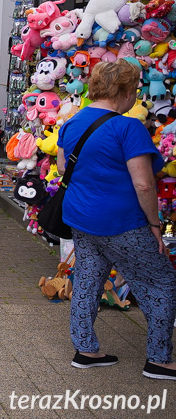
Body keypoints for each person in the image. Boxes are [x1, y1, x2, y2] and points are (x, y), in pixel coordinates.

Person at [58, 60, 176, 379]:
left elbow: (59, 168)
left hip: (81, 218)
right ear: (123, 91)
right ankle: (159, 360)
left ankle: (86, 350)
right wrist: (154, 224)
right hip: (121, 221)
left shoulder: (72, 121)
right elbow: (143, 183)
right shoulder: (128, 127)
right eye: (135, 90)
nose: (136, 96)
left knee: (87, 279)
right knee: (161, 281)